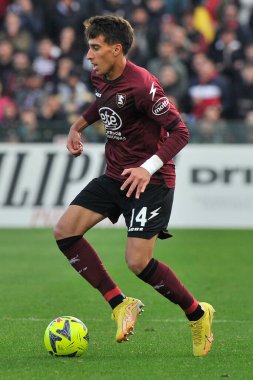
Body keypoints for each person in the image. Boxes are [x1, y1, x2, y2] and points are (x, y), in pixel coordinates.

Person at [54, 15, 215, 357]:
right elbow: (103, 101)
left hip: (150, 181)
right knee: (65, 232)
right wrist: (78, 126)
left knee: (137, 263)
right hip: (116, 175)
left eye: (95, 48)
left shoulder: (143, 85)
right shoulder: (100, 74)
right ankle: (119, 304)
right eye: (89, 46)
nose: (89, 54)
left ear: (117, 49)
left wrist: (146, 167)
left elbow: (181, 131)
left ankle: (198, 315)